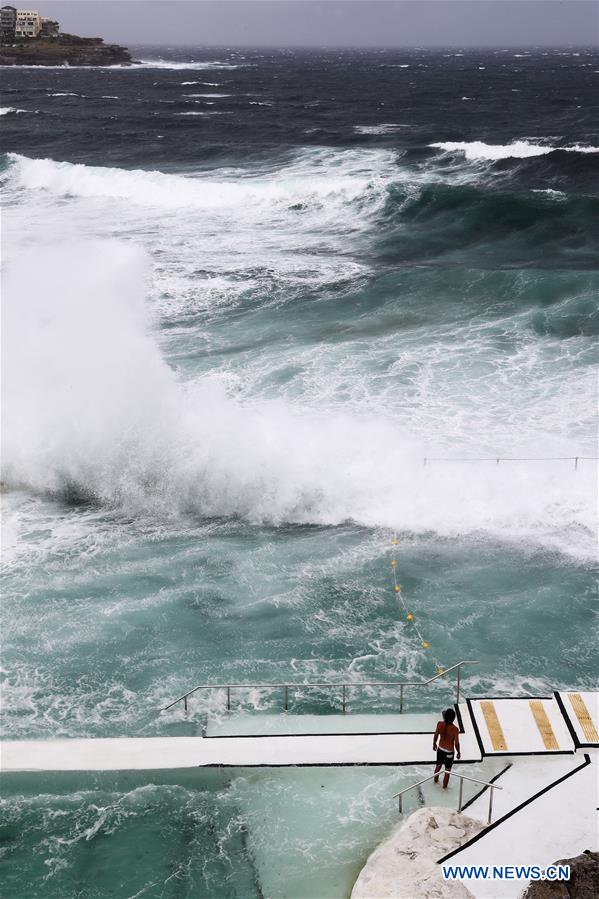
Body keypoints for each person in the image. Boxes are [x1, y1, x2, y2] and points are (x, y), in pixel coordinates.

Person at [433, 708, 461, 788]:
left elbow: (436, 735)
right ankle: (444, 788)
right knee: (447, 771)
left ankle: (435, 781)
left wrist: (434, 743)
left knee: (438, 767)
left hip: (440, 750)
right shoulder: (455, 729)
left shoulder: (439, 724)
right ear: (453, 718)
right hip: (449, 752)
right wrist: (459, 752)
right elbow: (456, 743)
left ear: (445, 716)